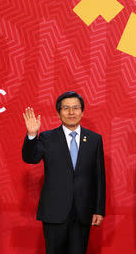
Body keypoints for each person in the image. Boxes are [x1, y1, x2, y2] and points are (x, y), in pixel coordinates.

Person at [22, 91, 106, 254]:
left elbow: (99, 177)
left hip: (83, 212)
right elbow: (30, 158)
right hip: (54, 212)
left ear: (82, 111)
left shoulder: (94, 139)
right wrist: (32, 135)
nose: (71, 112)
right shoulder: (47, 137)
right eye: (66, 108)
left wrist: (98, 209)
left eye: (75, 108)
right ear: (58, 113)